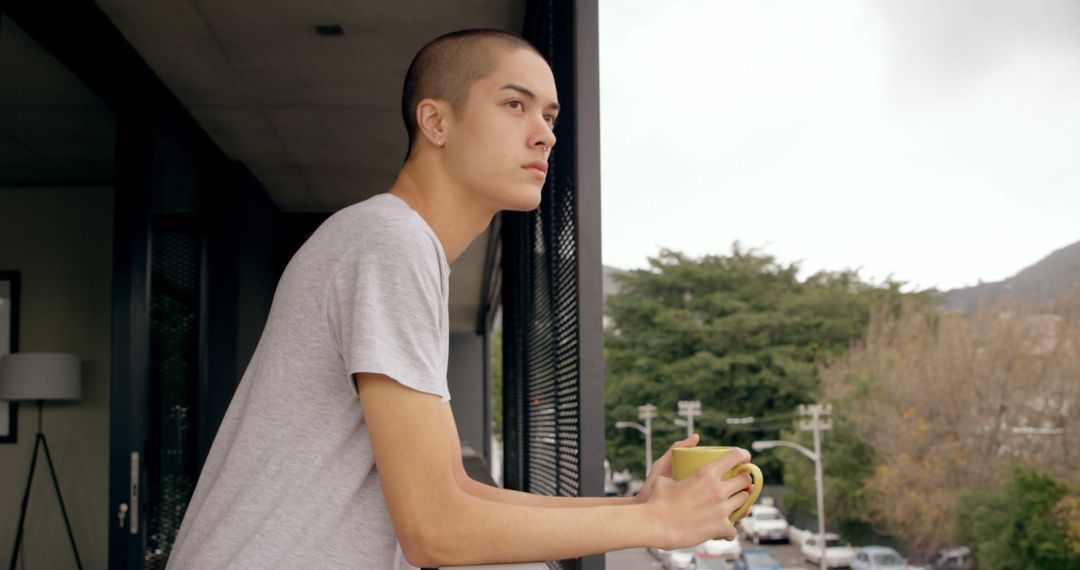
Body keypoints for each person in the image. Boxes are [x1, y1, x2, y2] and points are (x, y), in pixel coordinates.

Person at [167, 29, 755, 569]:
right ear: (436, 122)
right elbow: (435, 530)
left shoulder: (396, 243)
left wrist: (636, 508)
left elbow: (457, 489)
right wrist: (657, 521)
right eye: (514, 105)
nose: (546, 133)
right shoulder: (390, 244)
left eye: (550, 115)